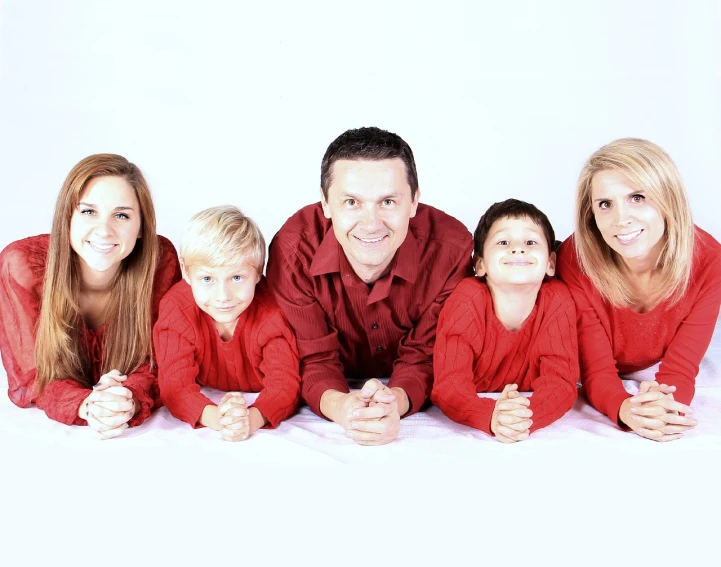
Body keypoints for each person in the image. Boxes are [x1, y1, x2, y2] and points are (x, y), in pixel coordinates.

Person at [266, 126, 473, 445]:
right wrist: (344, 408)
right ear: (325, 204)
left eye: (388, 201)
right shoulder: (293, 252)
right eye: (351, 202)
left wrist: (395, 404)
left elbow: (425, 357)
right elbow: (313, 359)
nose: (371, 222)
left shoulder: (452, 250)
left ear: (415, 202)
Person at [0, 153, 181, 438]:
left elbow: (163, 362)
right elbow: (31, 377)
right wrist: (87, 405)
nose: (104, 230)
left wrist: (127, 399)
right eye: (88, 212)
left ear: (142, 228)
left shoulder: (161, 263)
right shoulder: (22, 266)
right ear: (67, 218)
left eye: (121, 215)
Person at [556, 138, 721, 441]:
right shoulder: (575, 257)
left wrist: (665, 406)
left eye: (637, 197)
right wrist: (625, 409)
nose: (621, 219)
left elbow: (681, 369)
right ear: (591, 214)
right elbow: (595, 369)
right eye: (605, 204)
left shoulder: (710, 260)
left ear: (667, 198)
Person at [432, 199, 578, 442]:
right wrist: (490, 416)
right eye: (503, 242)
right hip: (481, 404)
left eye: (530, 242)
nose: (518, 249)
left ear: (550, 263)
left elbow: (560, 383)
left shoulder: (557, 300)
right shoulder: (467, 299)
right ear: (480, 264)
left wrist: (526, 417)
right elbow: (450, 385)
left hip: (522, 412)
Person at [154, 206, 301, 441]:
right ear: (186, 272)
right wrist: (219, 418)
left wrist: (250, 419)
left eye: (236, 278)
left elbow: (284, 384)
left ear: (258, 273)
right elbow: (175, 386)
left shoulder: (271, 311)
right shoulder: (177, 308)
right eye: (207, 279)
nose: (223, 295)